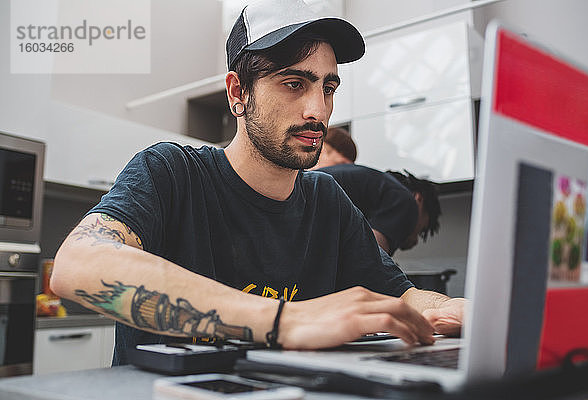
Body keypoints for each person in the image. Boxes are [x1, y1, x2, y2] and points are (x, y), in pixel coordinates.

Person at [50, 0, 464, 366]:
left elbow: (403, 297)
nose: (318, 110)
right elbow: (77, 266)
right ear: (238, 93)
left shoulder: (328, 203)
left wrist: (457, 310)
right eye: (293, 83)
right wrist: (286, 320)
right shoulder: (171, 173)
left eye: (328, 87)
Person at [318, 164, 441, 255]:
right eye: (421, 231)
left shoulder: (377, 187)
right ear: (419, 199)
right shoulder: (406, 201)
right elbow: (370, 257)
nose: (415, 241)